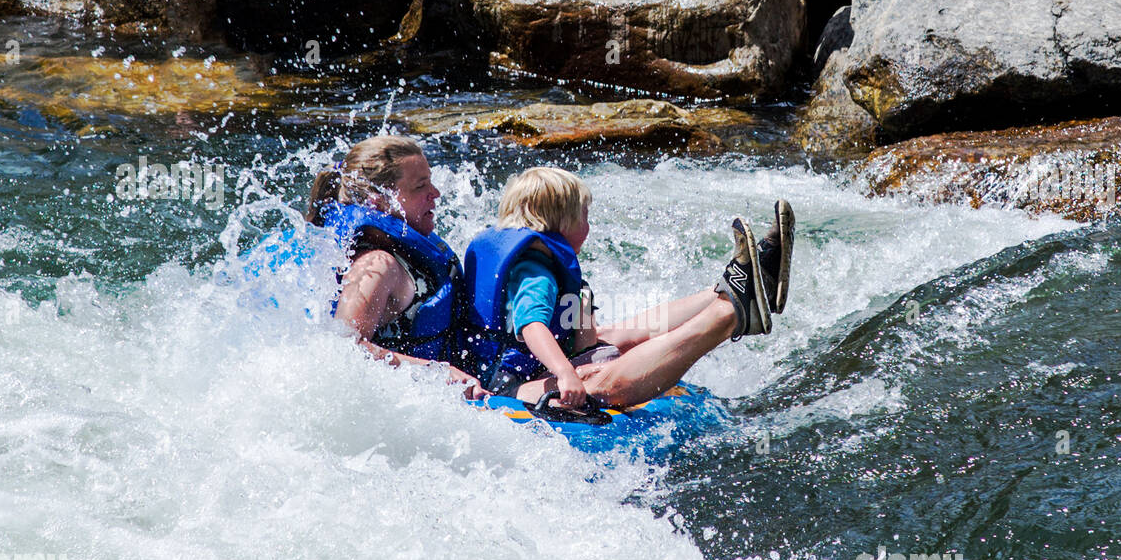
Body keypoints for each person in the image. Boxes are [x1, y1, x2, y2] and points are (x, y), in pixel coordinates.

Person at [461, 167, 793, 410]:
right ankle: (732, 313)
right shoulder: (536, 273)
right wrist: (566, 374)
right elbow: (531, 326)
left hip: (528, 367)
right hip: (511, 388)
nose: (588, 227)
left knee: (619, 334)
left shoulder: (532, 257)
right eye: (584, 217)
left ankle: (732, 287)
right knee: (600, 383)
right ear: (560, 224)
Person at [304, 135, 488, 398]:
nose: (435, 193)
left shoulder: (402, 252)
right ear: (378, 200)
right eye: (420, 186)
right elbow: (343, 349)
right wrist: (435, 373)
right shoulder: (376, 265)